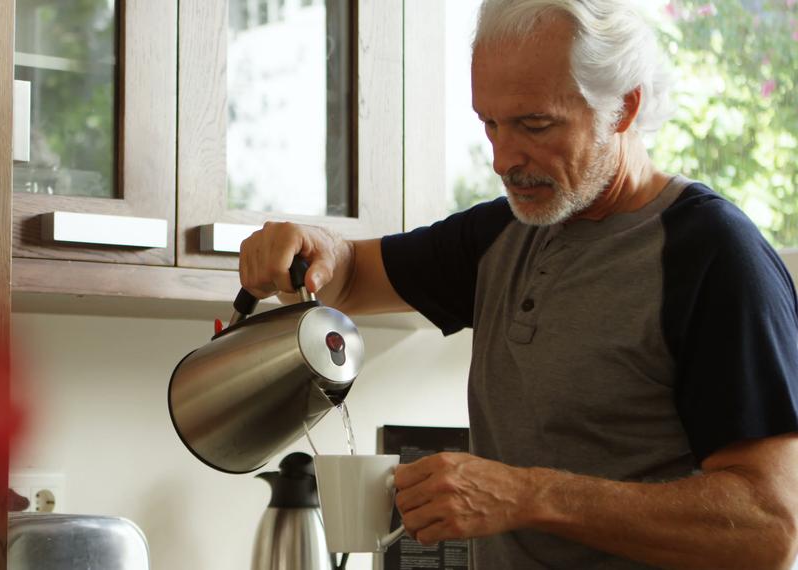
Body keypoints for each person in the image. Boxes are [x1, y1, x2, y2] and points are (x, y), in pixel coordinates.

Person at [237, 0, 798, 568]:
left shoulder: (712, 254)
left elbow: (770, 529)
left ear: (623, 107)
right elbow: (352, 276)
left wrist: (530, 496)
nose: (503, 159)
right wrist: (313, 246)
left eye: (535, 124)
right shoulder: (504, 233)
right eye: (491, 124)